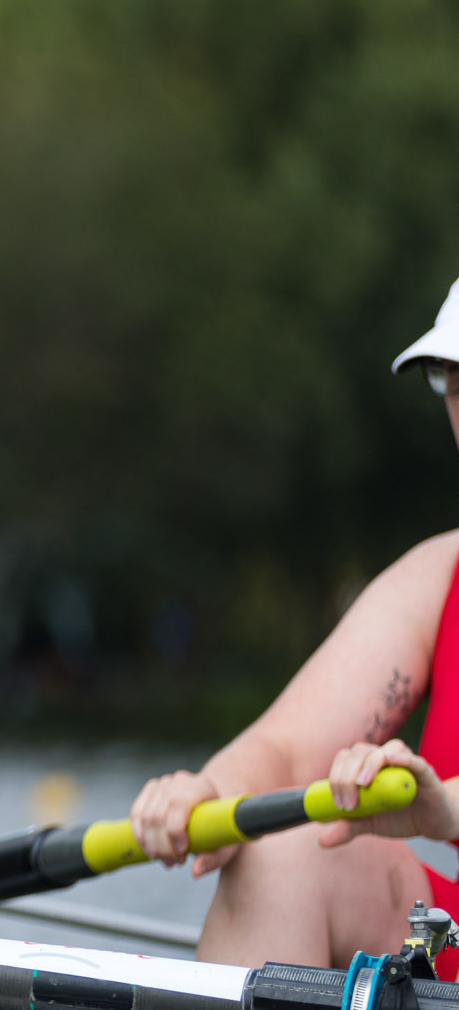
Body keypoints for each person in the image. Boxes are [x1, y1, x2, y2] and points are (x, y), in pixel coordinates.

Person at [129, 280, 459, 974]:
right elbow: (286, 748)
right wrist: (206, 794)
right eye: (452, 380)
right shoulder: (437, 577)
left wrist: (442, 809)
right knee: (278, 848)